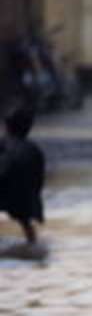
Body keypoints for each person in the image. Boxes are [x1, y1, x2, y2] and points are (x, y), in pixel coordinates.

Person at [0, 105, 45, 245]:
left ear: (6, 126)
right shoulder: (34, 150)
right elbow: (39, 179)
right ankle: (32, 243)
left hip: (4, 187)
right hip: (23, 196)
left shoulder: (3, 144)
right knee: (25, 222)